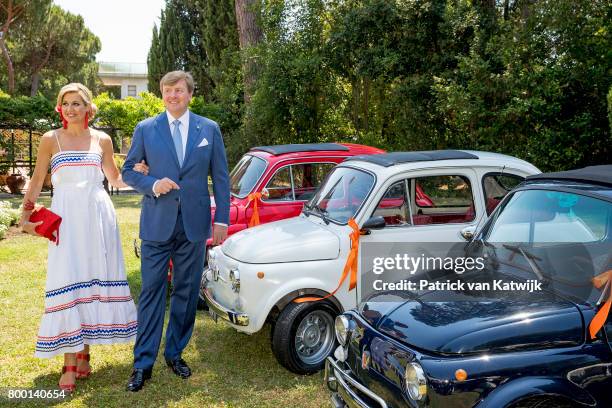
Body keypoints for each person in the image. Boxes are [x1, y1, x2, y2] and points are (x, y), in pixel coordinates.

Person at [20, 83, 148, 392]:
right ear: (59, 108)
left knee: (93, 278)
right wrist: (25, 213)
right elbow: (38, 178)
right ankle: (69, 363)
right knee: (68, 279)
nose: (71, 109)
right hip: (66, 220)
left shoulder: (102, 139)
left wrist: (140, 174)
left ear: (88, 108)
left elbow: (114, 178)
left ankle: (84, 353)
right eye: (66, 103)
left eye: (77, 103)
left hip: (98, 219)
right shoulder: (51, 140)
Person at [122, 70, 230, 392]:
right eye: (167, 91)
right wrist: (152, 183)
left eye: (178, 90)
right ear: (162, 94)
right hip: (156, 225)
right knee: (152, 292)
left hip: (194, 226)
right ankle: (143, 363)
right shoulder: (146, 129)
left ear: (189, 94)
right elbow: (129, 171)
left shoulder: (208, 129)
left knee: (185, 291)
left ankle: (175, 353)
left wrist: (221, 220)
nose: (172, 95)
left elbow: (221, 178)